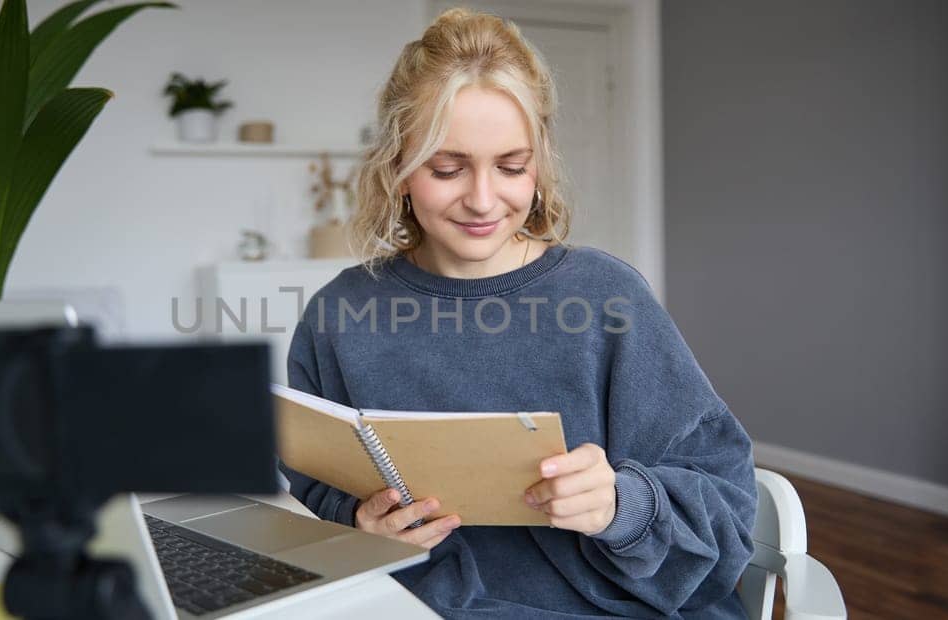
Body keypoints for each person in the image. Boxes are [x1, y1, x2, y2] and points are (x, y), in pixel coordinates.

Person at [281, 8, 756, 618]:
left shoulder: (606, 298)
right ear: (398, 167)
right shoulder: (339, 314)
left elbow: (725, 504)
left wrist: (620, 505)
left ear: (540, 165)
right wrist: (359, 525)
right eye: (446, 168)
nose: (482, 199)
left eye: (511, 166)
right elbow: (312, 487)